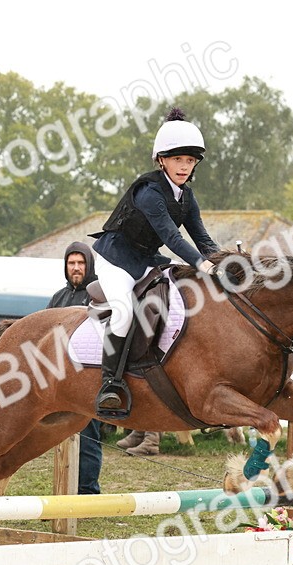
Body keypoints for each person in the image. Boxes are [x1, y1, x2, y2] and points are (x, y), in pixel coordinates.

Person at [90, 107, 220, 416]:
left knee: (183, 297)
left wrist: (227, 261)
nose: (184, 166)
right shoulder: (149, 192)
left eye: (190, 160)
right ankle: (110, 384)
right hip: (115, 258)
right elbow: (173, 239)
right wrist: (204, 266)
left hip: (147, 258)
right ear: (161, 160)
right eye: (178, 159)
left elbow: (202, 239)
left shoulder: (186, 197)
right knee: (124, 311)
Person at [46, 242, 102, 493]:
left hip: (88, 382)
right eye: (71, 263)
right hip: (59, 383)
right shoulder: (58, 297)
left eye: (81, 263)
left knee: (88, 441)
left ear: (89, 265)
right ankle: (64, 494)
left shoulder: (99, 295)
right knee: (59, 440)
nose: (76, 268)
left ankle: (88, 493)